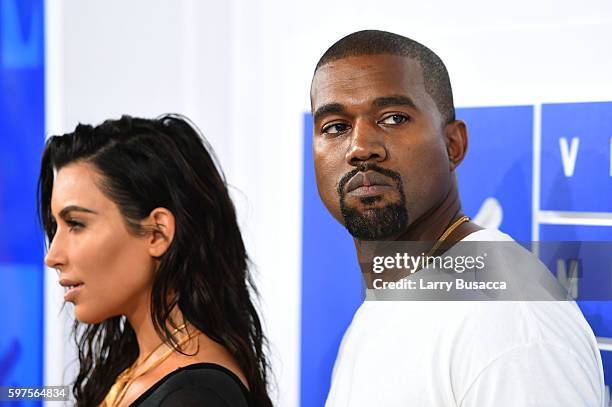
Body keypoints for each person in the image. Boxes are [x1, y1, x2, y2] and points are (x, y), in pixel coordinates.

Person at [310, 30, 605, 406]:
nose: (360, 148)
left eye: (393, 118)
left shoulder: (508, 319)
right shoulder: (392, 294)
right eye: (335, 127)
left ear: (453, 145)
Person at [38, 115, 273, 407]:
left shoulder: (195, 397)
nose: (53, 256)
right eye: (55, 226)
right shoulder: (133, 368)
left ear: (157, 233)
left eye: (76, 224)